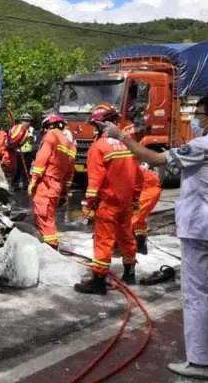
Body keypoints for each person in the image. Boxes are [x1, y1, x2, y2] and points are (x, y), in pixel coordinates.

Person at [98, 95, 208, 379]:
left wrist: (121, 136)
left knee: (196, 295)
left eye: (199, 113)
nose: (196, 119)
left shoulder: (201, 146)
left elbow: (155, 158)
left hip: (198, 229)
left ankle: (198, 362)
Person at [74, 103, 143, 295]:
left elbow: (95, 180)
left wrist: (89, 203)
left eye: (95, 126)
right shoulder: (128, 143)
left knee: (104, 240)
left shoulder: (99, 147)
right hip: (126, 202)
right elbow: (138, 176)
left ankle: (98, 280)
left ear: (100, 125)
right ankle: (130, 272)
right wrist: (136, 198)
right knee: (126, 235)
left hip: (109, 202)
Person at [28, 114, 76, 249]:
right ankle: (51, 243)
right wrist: (65, 191)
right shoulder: (71, 145)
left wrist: (34, 180)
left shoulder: (51, 136)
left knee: (42, 215)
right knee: (49, 216)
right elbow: (69, 172)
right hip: (57, 184)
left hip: (47, 182)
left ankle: (50, 246)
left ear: (48, 126)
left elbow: (41, 159)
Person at [132, 163, 162, 254]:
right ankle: (140, 246)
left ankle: (134, 246)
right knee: (138, 219)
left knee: (133, 219)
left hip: (148, 190)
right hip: (149, 189)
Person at [9, 113, 34, 191]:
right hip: (19, 151)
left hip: (28, 151)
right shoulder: (16, 128)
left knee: (26, 168)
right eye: (25, 120)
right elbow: (12, 138)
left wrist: (29, 136)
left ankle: (25, 185)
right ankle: (14, 185)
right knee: (17, 169)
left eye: (28, 121)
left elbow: (31, 139)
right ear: (22, 121)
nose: (27, 122)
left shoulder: (31, 129)